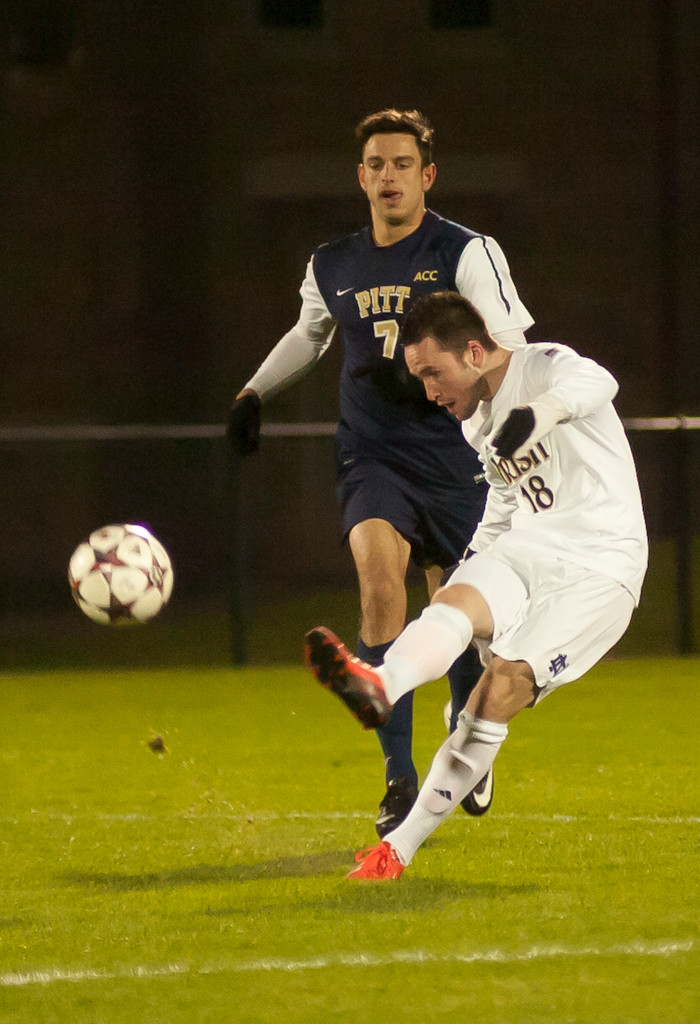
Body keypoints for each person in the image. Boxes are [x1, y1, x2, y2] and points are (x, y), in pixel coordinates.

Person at [228, 109, 534, 836]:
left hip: (459, 452)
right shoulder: (332, 262)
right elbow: (309, 334)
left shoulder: (464, 251)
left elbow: (510, 339)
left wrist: (508, 411)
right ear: (360, 176)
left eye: (403, 164)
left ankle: (467, 744)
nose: (389, 176)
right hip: (373, 453)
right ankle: (397, 779)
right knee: (376, 589)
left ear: (426, 176)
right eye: (376, 164)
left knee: (459, 619)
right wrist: (252, 392)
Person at [304, 291, 648, 880]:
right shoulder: (478, 426)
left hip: (602, 563)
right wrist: (475, 561)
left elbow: (599, 382)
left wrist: (539, 414)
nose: (430, 391)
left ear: (472, 351)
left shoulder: (542, 365)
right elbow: (505, 500)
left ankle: (399, 849)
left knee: (498, 689)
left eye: (433, 373)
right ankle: (380, 684)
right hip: (530, 544)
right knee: (453, 600)